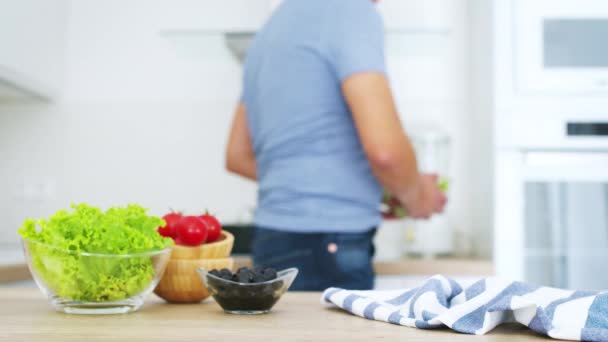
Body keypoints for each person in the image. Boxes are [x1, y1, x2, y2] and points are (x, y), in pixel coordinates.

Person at [225, 0, 447, 291]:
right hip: (329, 248)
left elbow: (237, 155)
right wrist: (417, 197)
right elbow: (386, 154)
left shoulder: (272, 29)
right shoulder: (352, 10)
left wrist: (368, 188)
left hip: (272, 243)